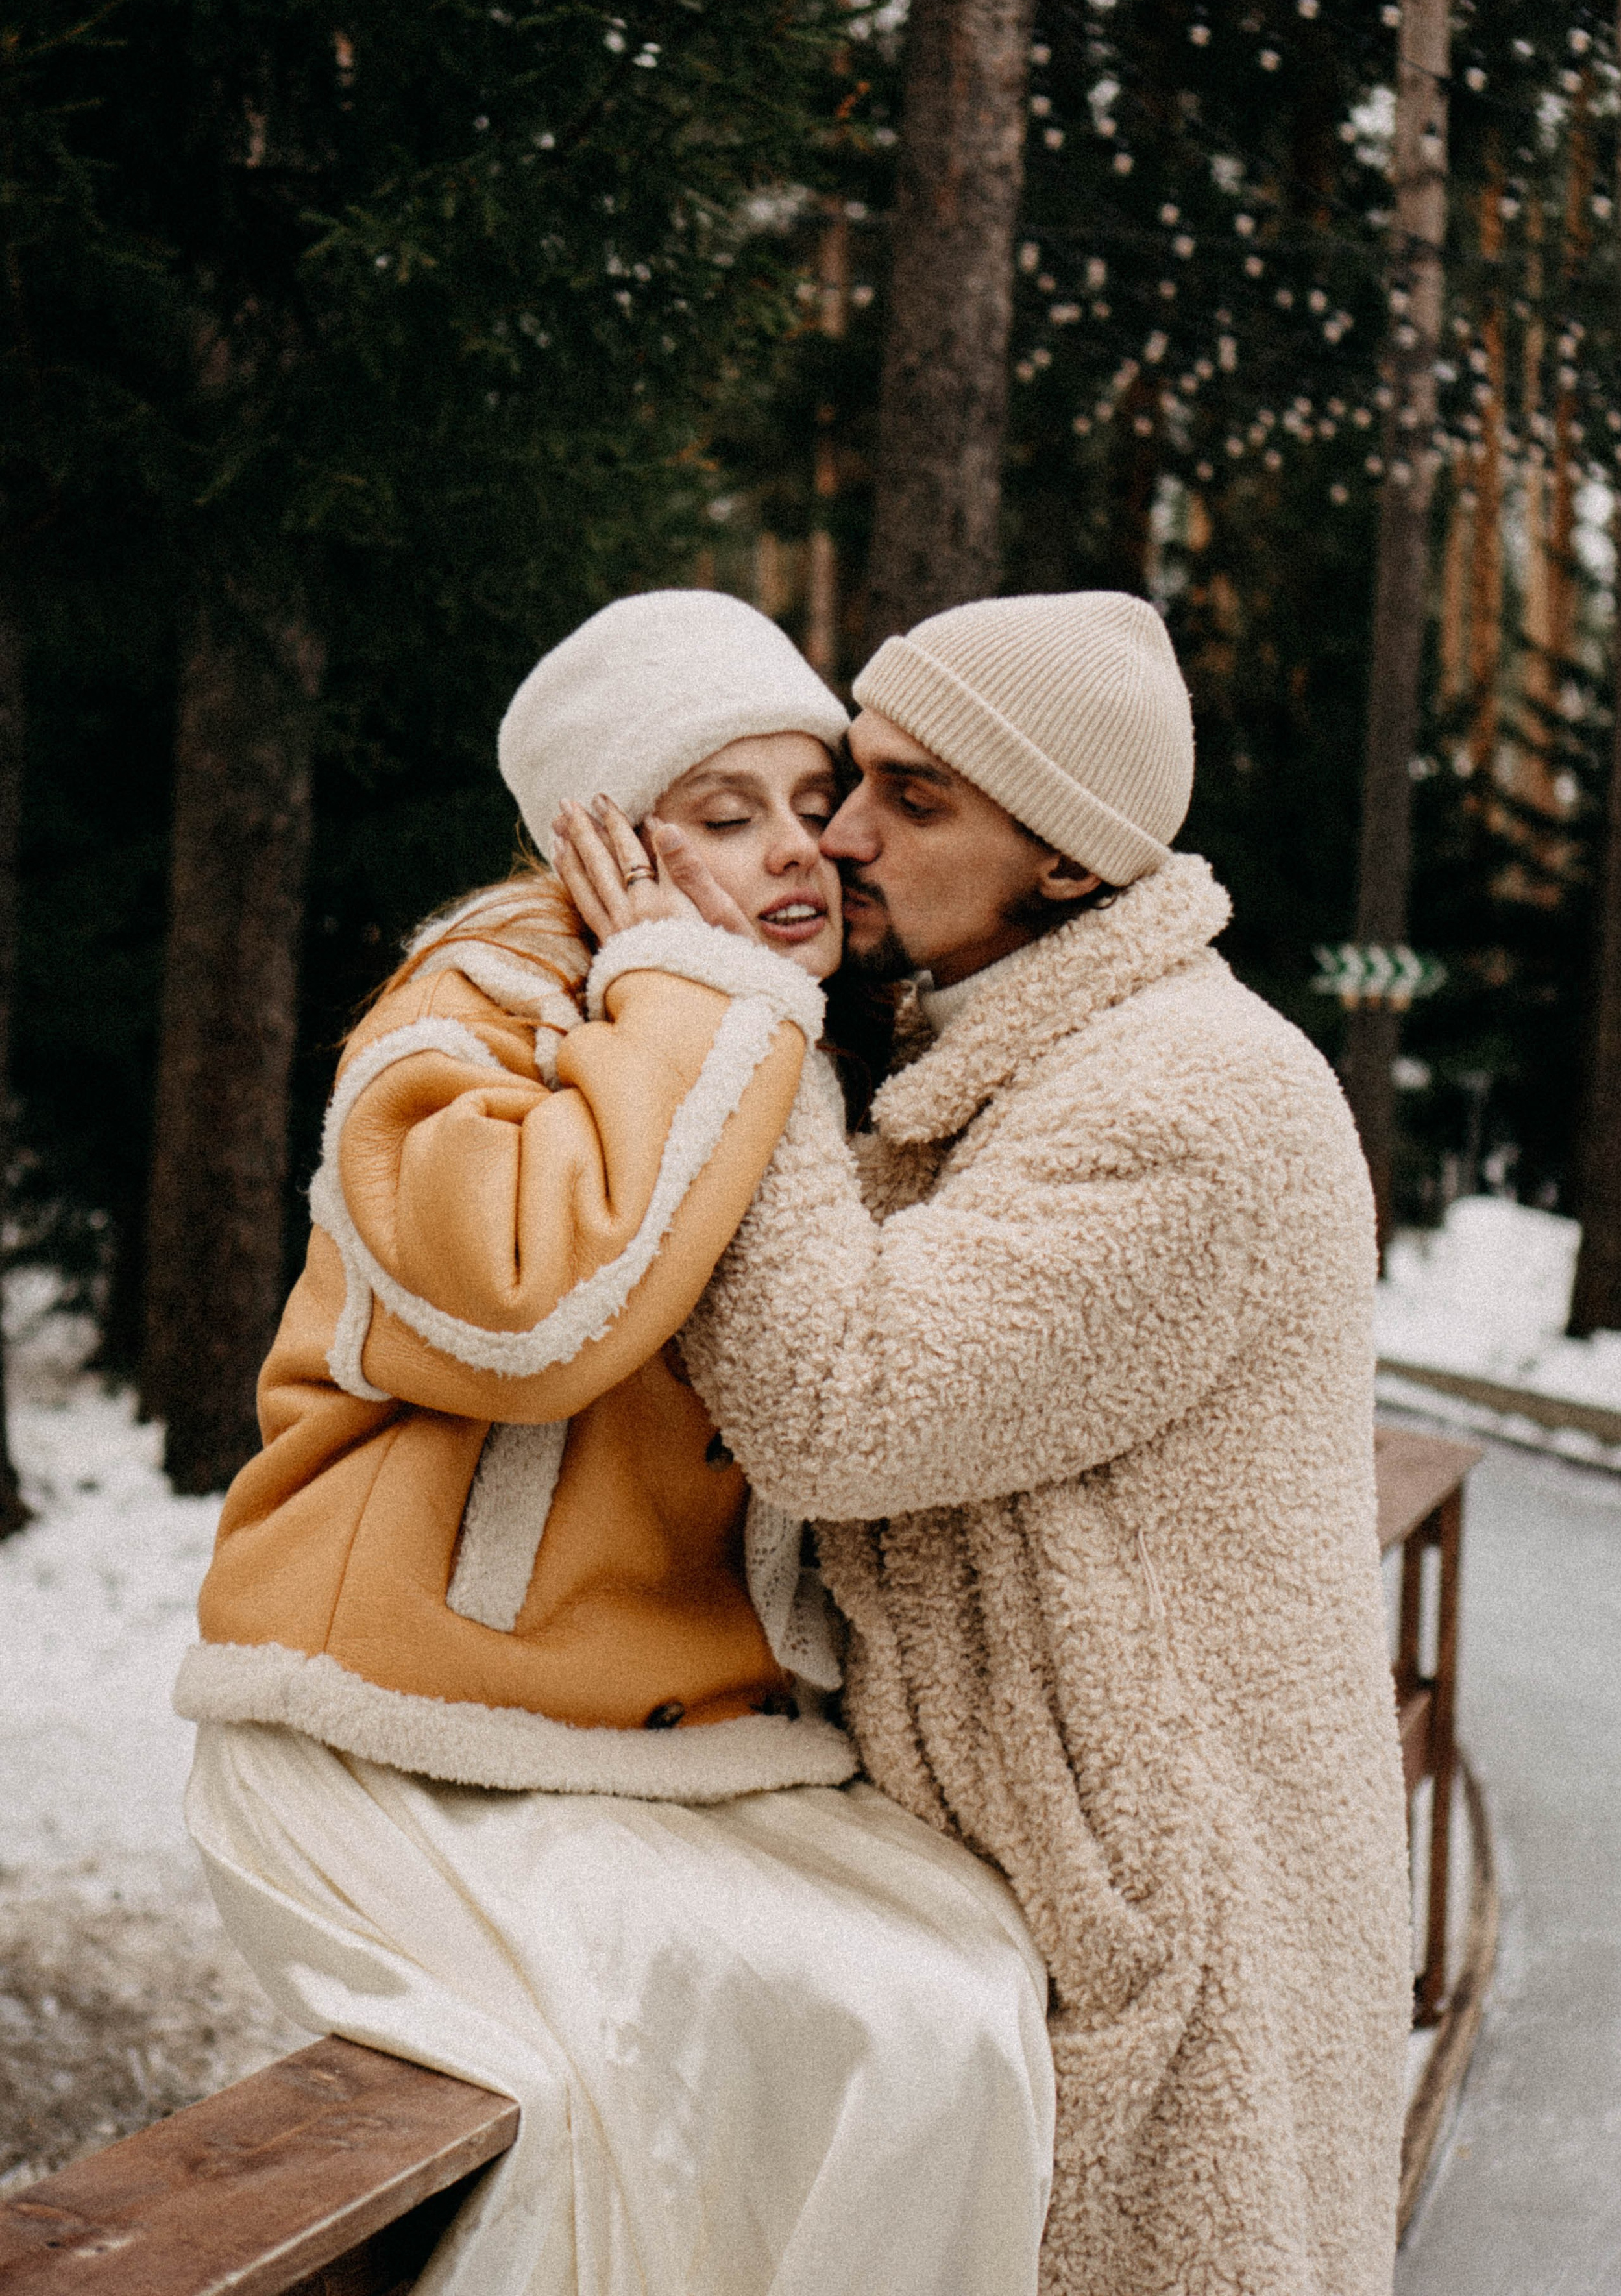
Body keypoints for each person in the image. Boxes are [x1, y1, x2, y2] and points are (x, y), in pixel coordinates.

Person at [175, 590, 1055, 2296]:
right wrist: (693, 992)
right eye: (724, 816)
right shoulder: (470, 1011)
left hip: (672, 1750)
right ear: (593, 843)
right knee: (712, 2084)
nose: (797, 852)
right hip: (405, 1735)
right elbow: (527, 1306)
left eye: (811, 804)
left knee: (972, 1993)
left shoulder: (786, 1030)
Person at [631, 592, 1413, 2296]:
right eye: (857, 777)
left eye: (914, 800)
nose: (837, 835)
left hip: (1170, 1918)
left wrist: (738, 1005)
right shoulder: (1019, 1054)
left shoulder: (1186, 1102)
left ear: (1064, 862)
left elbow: (838, 1409)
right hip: (1048, 1883)